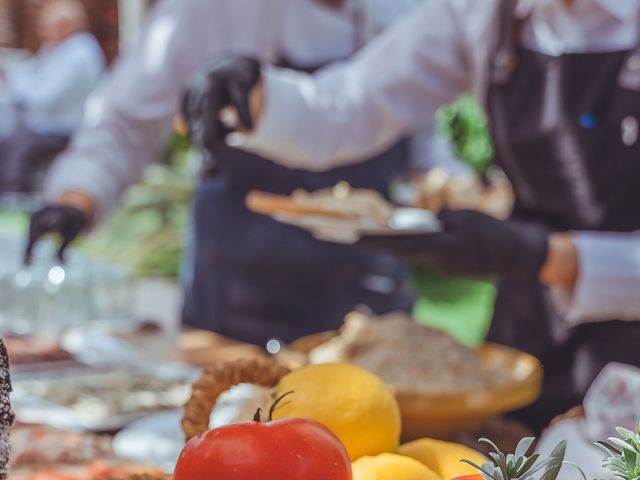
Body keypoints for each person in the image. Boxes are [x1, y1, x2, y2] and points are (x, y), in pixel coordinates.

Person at [178, 0, 640, 430]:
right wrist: (255, 97)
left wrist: (545, 255)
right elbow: (351, 103)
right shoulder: (485, 13)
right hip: (529, 343)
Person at [24, 0, 455, 346]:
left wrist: (456, 201)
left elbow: (415, 144)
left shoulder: (403, 14)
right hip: (236, 294)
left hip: (365, 295)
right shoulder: (207, 11)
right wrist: (77, 198)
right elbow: (126, 121)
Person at [0, 0, 104, 193]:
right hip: (41, 123)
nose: (44, 32)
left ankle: (13, 200)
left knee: (10, 142)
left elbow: (43, 98)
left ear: (66, 26)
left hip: (61, 129)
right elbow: (32, 72)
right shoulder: (57, 49)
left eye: (48, 26)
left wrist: (12, 81)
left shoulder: (80, 54)